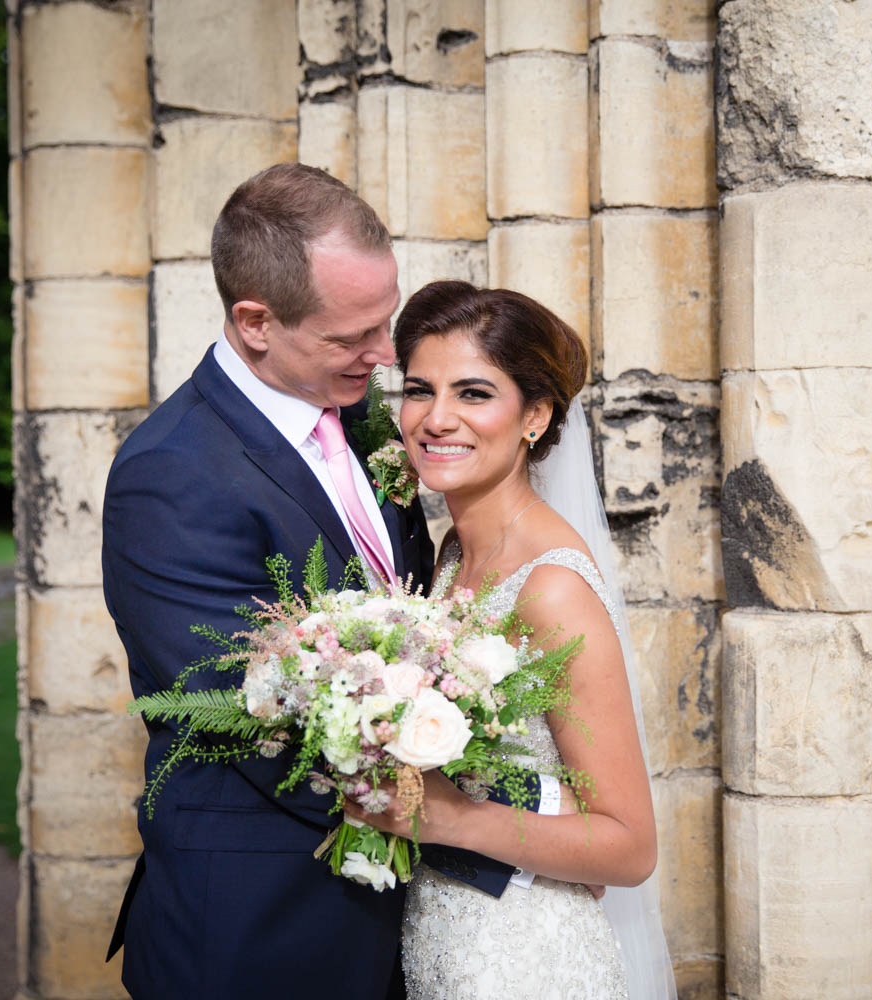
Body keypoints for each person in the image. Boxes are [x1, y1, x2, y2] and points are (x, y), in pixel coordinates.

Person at [100, 164, 538, 998]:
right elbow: (261, 724)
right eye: (352, 338)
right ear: (255, 321)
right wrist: (526, 822)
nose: (385, 360)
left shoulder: (371, 421)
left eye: (387, 323)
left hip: (396, 910)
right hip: (261, 933)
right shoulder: (173, 475)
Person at [343, 280, 677, 999]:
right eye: (419, 390)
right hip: (441, 939)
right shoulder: (449, 554)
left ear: (535, 416)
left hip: (528, 958)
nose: (436, 419)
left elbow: (627, 843)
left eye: (472, 393)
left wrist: (450, 818)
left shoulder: (551, 587)